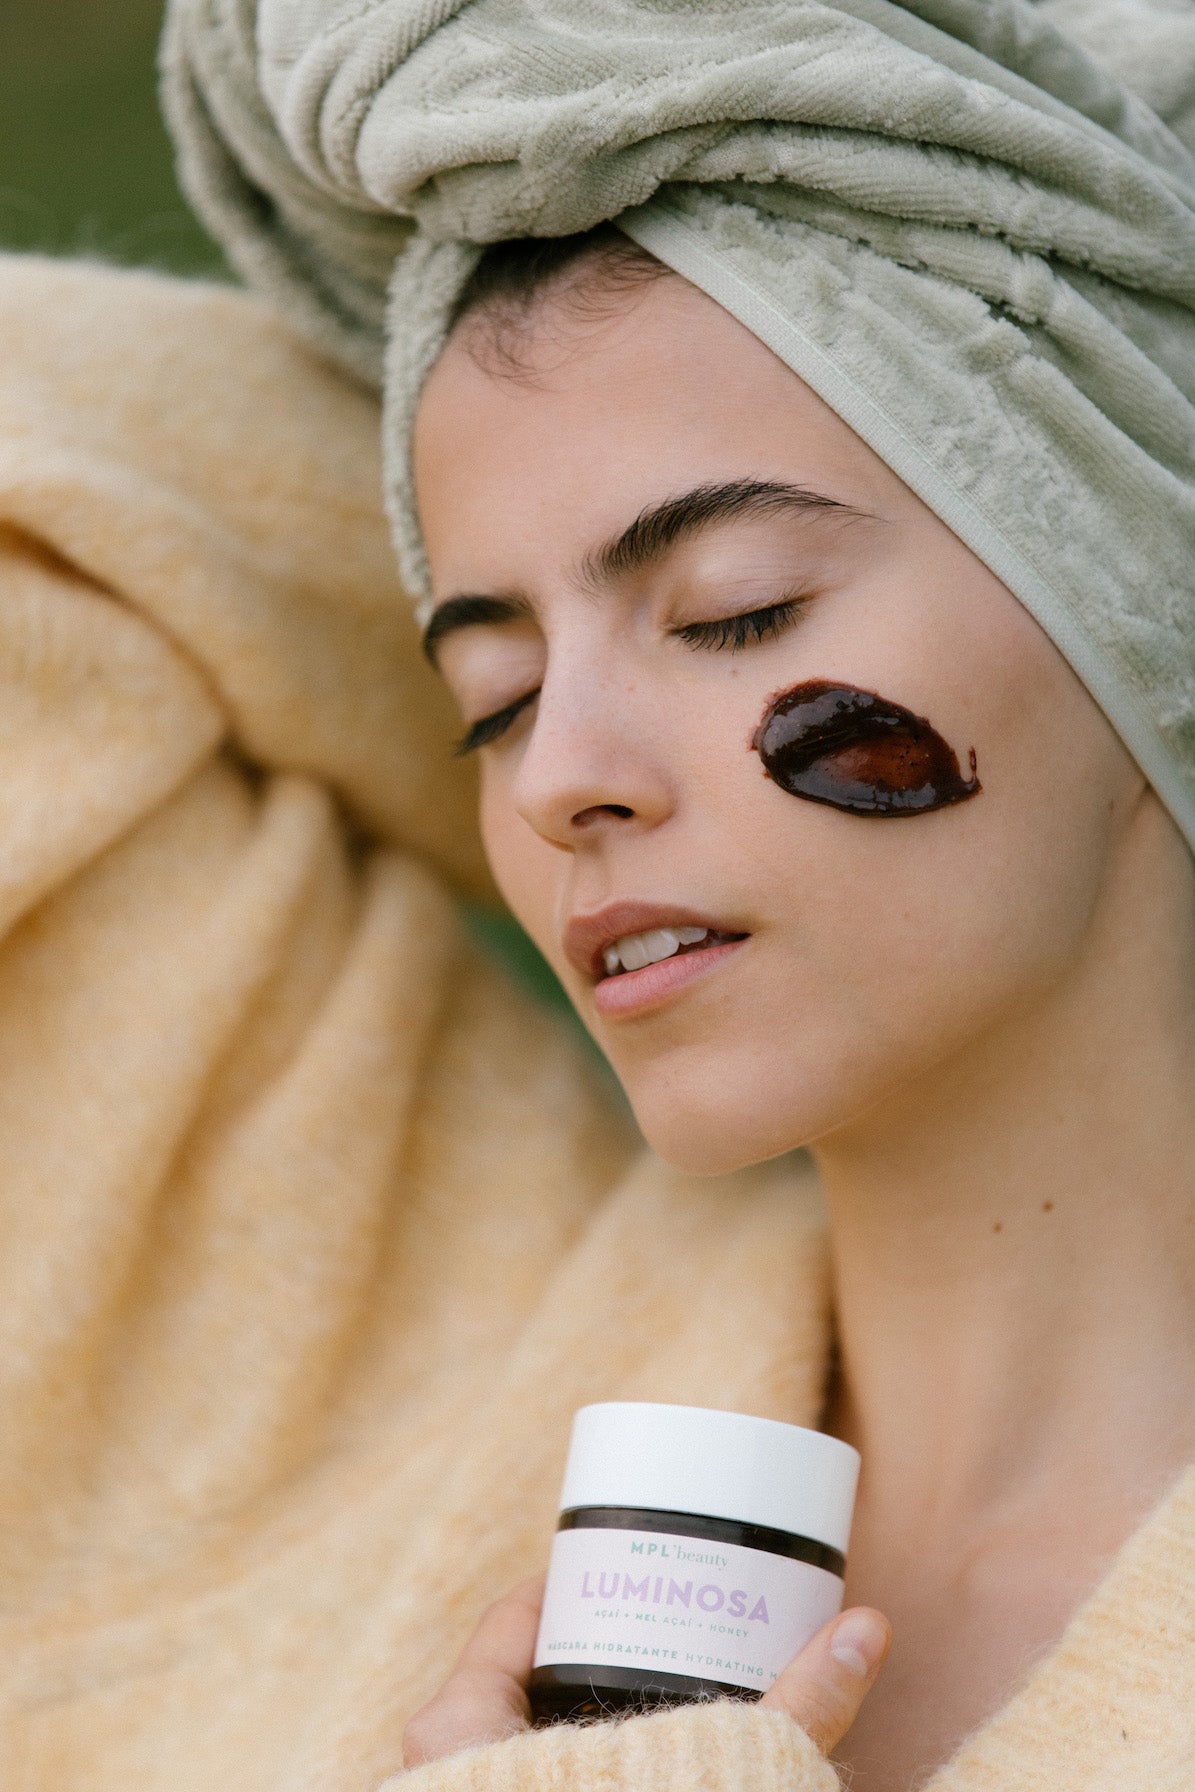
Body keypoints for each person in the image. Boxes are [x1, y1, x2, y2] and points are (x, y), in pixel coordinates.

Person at [2, 0, 1185, 1787]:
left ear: (1137, 598)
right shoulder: (359, 1361)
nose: (558, 778)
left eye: (735, 611)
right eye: (485, 696)